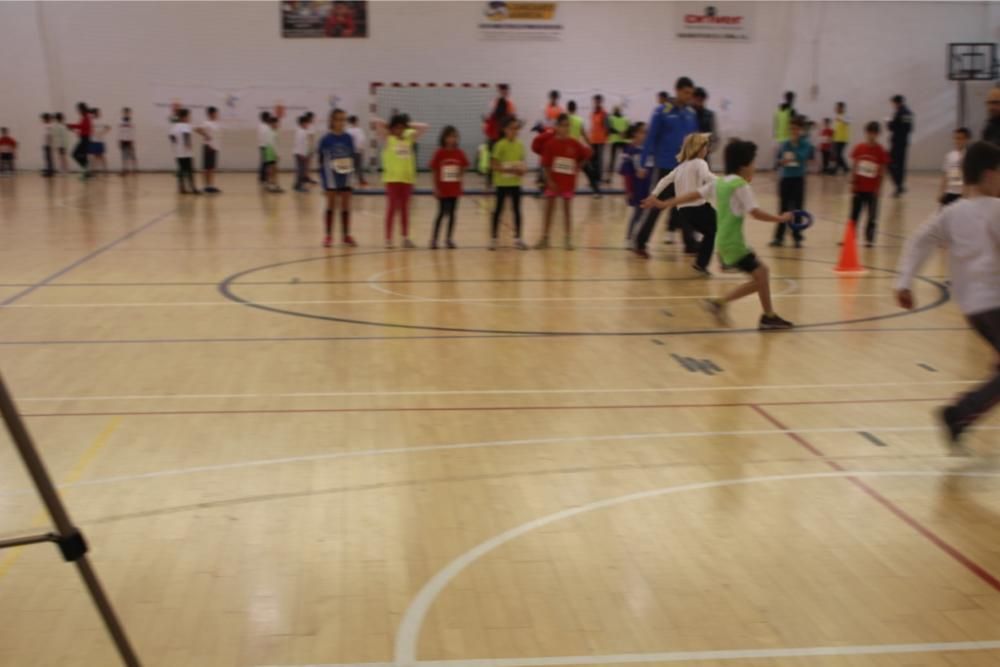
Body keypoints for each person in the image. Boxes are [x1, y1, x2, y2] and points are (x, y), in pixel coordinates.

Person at [894, 141, 1000, 456]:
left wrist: (904, 282)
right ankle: (957, 414)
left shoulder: (952, 213)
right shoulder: (996, 208)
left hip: (972, 308)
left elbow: (918, 241)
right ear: (988, 174)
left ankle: (959, 417)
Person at [643, 139, 795, 330]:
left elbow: (693, 195)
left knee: (761, 276)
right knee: (761, 276)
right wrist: (780, 219)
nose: (755, 167)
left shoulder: (722, 183)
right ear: (744, 165)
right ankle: (724, 304)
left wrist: (666, 203)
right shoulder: (740, 186)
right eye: (753, 163)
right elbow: (755, 213)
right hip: (734, 244)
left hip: (725, 243)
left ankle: (766, 315)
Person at [634, 76, 699, 253]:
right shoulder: (661, 112)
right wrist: (643, 163)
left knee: (685, 204)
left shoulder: (691, 114)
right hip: (666, 166)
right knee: (657, 205)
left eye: (691, 94)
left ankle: (690, 243)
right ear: (677, 90)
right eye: (686, 93)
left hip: (685, 167)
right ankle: (640, 241)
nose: (688, 96)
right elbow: (650, 138)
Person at [645, 133, 717, 274]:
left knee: (711, 231)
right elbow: (707, 177)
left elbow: (664, 180)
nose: (707, 149)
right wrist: (726, 182)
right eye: (706, 146)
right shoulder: (700, 163)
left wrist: (653, 195)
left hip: (683, 211)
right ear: (699, 148)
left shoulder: (681, 167)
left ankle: (701, 262)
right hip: (698, 208)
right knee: (718, 227)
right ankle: (715, 262)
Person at [535, 113, 592, 250]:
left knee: (567, 211)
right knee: (549, 210)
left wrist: (578, 167)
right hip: (553, 183)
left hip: (568, 183)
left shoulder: (574, 143)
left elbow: (588, 154)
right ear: (557, 126)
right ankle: (545, 238)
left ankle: (568, 240)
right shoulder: (550, 144)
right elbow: (546, 165)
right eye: (563, 125)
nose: (565, 128)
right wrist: (550, 181)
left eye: (567, 126)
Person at [374, 113, 428, 248]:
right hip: (392, 180)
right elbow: (377, 122)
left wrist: (406, 125)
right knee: (392, 208)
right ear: (392, 128)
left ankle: (405, 237)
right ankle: (388, 239)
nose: (399, 130)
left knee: (405, 209)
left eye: (401, 128)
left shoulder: (409, 138)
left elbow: (425, 127)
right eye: (396, 128)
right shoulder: (388, 139)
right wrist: (390, 125)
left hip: (407, 180)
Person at [770, 117, 814, 248]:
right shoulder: (784, 144)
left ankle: (797, 236)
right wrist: (781, 162)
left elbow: (803, 157)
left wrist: (794, 149)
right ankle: (779, 237)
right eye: (791, 129)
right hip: (786, 179)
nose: (793, 131)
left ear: (800, 130)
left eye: (795, 128)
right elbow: (779, 159)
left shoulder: (805, 144)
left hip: (798, 179)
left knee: (797, 209)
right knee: (783, 209)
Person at [317, 108, 358, 248]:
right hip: (331, 177)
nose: (341, 122)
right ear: (332, 121)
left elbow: (352, 157)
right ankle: (328, 236)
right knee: (331, 205)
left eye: (343, 119)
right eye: (338, 119)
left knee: (346, 206)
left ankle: (346, 236)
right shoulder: (325, 139)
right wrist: (323, 180)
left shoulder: (348, 138)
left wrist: (353, 177)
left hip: (346, 176)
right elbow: (321, 160)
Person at [490, 117, 528, 250]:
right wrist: (509, 169)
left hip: (515, 184)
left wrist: (522, 170)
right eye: (511, 128)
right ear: (505, 130)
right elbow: (494, 165)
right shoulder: (500, 145)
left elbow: (523, 165)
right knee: (498, 210)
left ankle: (518, 239)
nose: (514, 131)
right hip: (501, 184)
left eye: (516, 128)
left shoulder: (520, 145)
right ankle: (494, 239)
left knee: (517, 210)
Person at [849, 121, 890, 247]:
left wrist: (879, 187)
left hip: (872, 189)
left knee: (872, 216)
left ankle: (869, 239)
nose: (871, 135)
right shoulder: (859, 148)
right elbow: (855, 166)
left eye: (874, 133)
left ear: (877, 134)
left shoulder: (881, 151)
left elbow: (882, 170)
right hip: (859, 187)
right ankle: (850, 237)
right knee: (854, 214)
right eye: (869, 132)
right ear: (866, 133)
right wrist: (853, 182)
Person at [429, 125, 469, 249]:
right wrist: (435, 187)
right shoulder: (439, 153)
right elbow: (434, 170)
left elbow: (464, 166)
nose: (452, 139)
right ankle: (434, 239)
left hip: (454, 189)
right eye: (450, 136)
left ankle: (448, 239)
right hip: (443, 189)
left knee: (452, 214)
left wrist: (460, 178)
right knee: (441, 213)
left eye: (454, 136)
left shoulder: (460, 153)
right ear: (444, 138)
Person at [619, 122, 652, 245]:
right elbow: (626, 172)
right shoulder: (629, 150)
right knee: (637, 212)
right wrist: (628, 190)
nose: (645, 135)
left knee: (644, 214)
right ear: (635, 133)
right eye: (642, 132)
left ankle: (639, 237)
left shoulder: (649, 150)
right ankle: (629, 238)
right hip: (637, 187)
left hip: (648, 187)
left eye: (646, 132)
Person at [887, 94, 914, 197]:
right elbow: (910, 128)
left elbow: (893, 127)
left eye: (893, 103)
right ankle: (900, 186)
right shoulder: (908, 113)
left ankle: (898, 186)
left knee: (890, 164)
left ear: (896, 102)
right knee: (901, 165)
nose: (893, 105)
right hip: (904, 142)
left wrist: (889, 123)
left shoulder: (899, 113)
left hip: (897, 143)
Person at [169, 108, 199, 195]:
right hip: (186, 153)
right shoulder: (186, 125)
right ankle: (193, 188)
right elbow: (186, 134)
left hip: (178, 153)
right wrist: (188, 144)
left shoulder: (174, 126)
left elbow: (171, 137)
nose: (189, 118)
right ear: (184, 117)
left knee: (181, 170)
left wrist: (176, 144)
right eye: (188, 116)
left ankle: (181, 188)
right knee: (189, 170)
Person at [939, 127, 971, 207]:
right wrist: (942, 192)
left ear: (967, 139)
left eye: (960, 138)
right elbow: (945, 175)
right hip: (950, 192)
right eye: (956, 138)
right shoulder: (950, 156)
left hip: (963, 194)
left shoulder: (971, 156)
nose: (957, 141)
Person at [585, 94, 608, 197]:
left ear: (601, 101)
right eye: (595, 101)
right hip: (592, 140)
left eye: (598, 101)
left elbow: (607, 128)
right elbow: (593, 126)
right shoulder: (592, 113)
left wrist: (604, 138)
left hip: (600, 141)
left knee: (598, 161)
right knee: (592, 160)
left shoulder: (604, 113)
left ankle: (597, 180)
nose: (596, 102)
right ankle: (593, 179)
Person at [196, 106, 222, 194]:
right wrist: (206, 135)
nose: (217, 115)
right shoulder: (206, 123)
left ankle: (211, 185)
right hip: (208, 147)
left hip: (215, 147)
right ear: (211, 113)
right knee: (206, 168)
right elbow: (197, 129)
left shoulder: (216, 123)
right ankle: (205, 186)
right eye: (215, 113)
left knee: (212, 168)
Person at [68, 102, 93, 180]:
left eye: (78, 109)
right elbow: (82, 128)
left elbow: (82, 127)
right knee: (82, 156)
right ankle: (87, 173)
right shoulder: (84, 117)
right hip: (84, 138)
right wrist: (73, 128)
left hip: (85, 139)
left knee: (74, 154)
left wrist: (71, 125)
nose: (77, 111)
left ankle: (86, 171)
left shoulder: (86, 117)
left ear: (82, 109)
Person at [607, 106, 630, 183]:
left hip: (618, 141)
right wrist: (622, 133)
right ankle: (610, 178)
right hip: (620, 140)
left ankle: (611, 178)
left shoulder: (612, 118)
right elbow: (610, 129)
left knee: (622, 160)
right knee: (623, 159)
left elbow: (610, 129)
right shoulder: (624, 118)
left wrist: (620, 132)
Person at [691, 87, 717, 155]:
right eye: (697, 98)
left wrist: (709, 149)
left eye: (701, 99)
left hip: (704, 153)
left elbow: (714, 136)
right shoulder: (687, 114)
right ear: (693, 98)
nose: (699, 101)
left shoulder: (709, 115)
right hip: (688, 153)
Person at [773, 91, 795, 164]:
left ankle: (779, 167)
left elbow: (776, 123)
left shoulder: (778, 110)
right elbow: (794, 124)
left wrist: (775, 133)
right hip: (788, 136)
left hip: (780, 136)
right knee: (788, 155)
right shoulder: (791, 110)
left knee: (782, 153)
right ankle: (787, 170)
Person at [293, 114, 314, 192]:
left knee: (301, 170)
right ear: (302, 123)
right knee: (301, 171)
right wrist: (302, 154)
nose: (308, 124)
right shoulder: (301, 132)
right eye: (307, 123)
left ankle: (297, 185)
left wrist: (307, 153)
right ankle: (299, 186)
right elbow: (299, 144)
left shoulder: (303, 131)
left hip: (301, 153)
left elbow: (305, 144)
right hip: (300, 154)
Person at [346, 115, 368, 187]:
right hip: (357, 151)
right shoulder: (359, 130)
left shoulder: (347, 130)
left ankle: (347, 180)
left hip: (349, 151)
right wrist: (361, 149)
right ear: (356, 121)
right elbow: (361, 140)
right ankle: (361, 180)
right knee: (358, 166)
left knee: (349, 166)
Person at [88, 107, 110, 175]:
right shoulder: (91, 120)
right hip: (93, 141)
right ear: (95, 113)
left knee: (102, 156)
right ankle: (93, 170)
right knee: (94, 156)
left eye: (99, 112)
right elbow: (89, 129)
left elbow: (108, 127)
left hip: (100, 141)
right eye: (98, 112)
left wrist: (102, 133)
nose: (99, 113)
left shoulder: (102, 120)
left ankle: (105, 170)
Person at [832, 102, 851, 175]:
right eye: (836, 107)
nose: (836, 109)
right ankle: (839, 169)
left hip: (843, 139)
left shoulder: (846, 115)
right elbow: (835, 128)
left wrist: (840, 118)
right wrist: (833, 137)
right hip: (836, 138)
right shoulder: (837, 116)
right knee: (837, 154)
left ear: (841, 108)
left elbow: (848, 122)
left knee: (838, 154)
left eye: (837, 107)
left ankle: (845, 168)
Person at [118, 107, 137, 175]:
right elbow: (120, 132)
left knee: (132, 156)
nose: (126, 114)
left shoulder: (131, 122)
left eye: (127, 112)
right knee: (123, 156)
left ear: (129, 113)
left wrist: (132, 141)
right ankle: (124, 170)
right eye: (125, 112)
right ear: (123, 113)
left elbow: (132, 132)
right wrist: (119, 140)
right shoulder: (120, 121)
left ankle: (134, 170)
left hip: (129, 141)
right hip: (123, 140)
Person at [257, 111, 272, 184]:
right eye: (268, 117)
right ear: (266, 118)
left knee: (264, 162)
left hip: (263, 145)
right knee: (265, 162)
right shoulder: (264, 126)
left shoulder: (263, 126)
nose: (269, 119)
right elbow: (266, 137)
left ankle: (263, 177)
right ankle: (263, 178)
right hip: (264, 146)